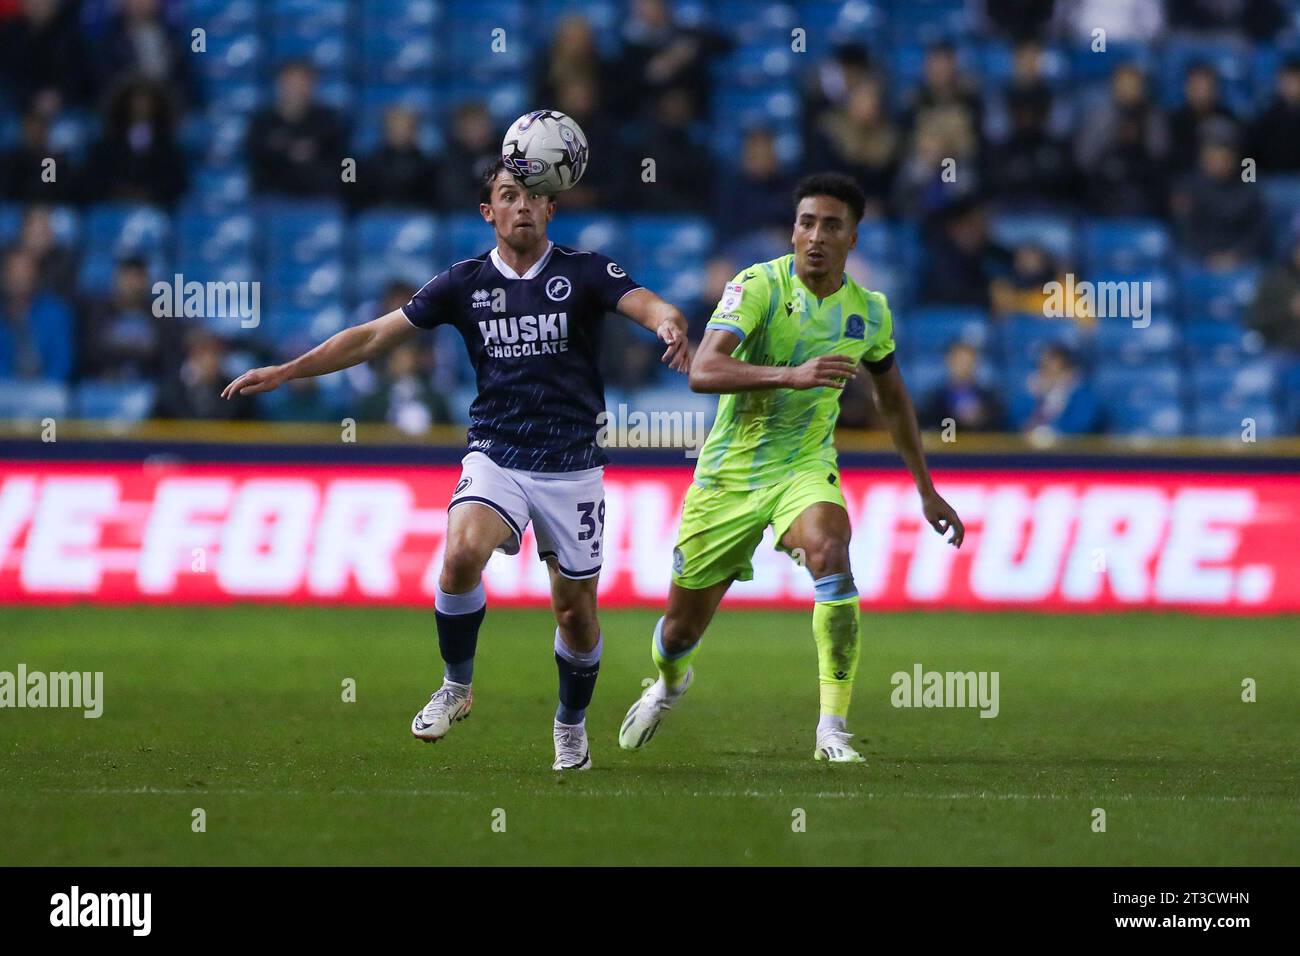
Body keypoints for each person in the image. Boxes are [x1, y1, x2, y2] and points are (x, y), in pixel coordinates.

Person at [222, 160, 691, 771]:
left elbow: (648, 304)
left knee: (575, 614)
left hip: (572, 467)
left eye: (534, 197)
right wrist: (287, 371)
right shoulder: (463, 283)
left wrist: (671, 324)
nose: (522, 205)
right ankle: (456, 685)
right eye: (508, 195)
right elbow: (370, 338)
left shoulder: (585, 271)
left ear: (552, 210)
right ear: (487, 212)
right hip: (496, 452)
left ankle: (570, 724)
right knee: (461, 553)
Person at [617, 173, 964, 764]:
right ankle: (670, 684)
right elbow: (704, 370)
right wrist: (791, 374)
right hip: (726, 478)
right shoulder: (756, 286)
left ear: (853, 238)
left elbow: (892, 399)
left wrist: (925, 490)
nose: (816, 236)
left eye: (831, 225)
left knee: (831, 552)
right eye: (806, 223)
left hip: (803, 468)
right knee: (678, 633)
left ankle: (832, 728)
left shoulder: (869, 313)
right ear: (793, 230)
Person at [920, 341, 1004, 433]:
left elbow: (999, 428)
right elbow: (928, 429)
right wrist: (955, 417)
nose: (964, 366)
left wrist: (981, 416)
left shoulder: (990, 399)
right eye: (959, 361)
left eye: (969, 361)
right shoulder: (934, 399)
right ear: (948, 362)